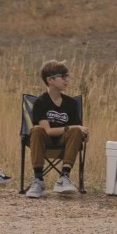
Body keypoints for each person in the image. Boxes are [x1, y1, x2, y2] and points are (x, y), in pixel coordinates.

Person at [24, 60, 85, 198]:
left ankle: (64, 177)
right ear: (50, 80)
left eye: (67, 76)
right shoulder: (40, 102)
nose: (66, 80)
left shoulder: (71, 103)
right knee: (36, 130)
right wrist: (70, 127)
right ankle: (38, 180)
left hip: (65, 142)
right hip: (45, 141)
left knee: (76, 131)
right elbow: (48, 131)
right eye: (63, 76)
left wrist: (83, 132)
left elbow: (78, 130)